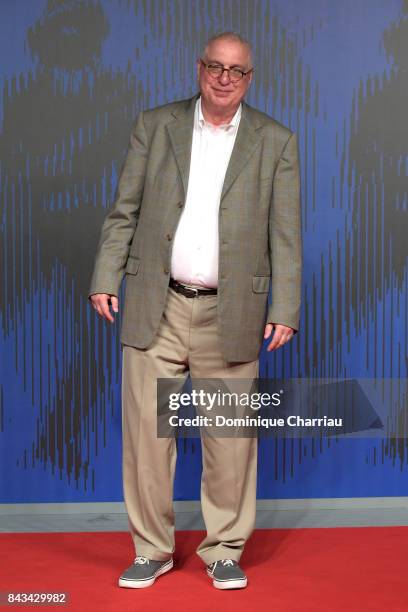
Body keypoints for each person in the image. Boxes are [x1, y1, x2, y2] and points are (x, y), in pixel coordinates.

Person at [88, 31, 301, 590]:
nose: (225, 77)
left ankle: (224, 550)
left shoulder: (276, 141)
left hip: (231, 311)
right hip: (155, 304)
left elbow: (287, 238)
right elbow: (124, 211)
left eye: (237, 70)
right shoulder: (154, 126)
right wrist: (105, 276)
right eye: (215, 66)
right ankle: (152, 549)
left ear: (249, 78)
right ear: (199, 69)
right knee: (146, 439)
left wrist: (285, 307)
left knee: (229, 441)